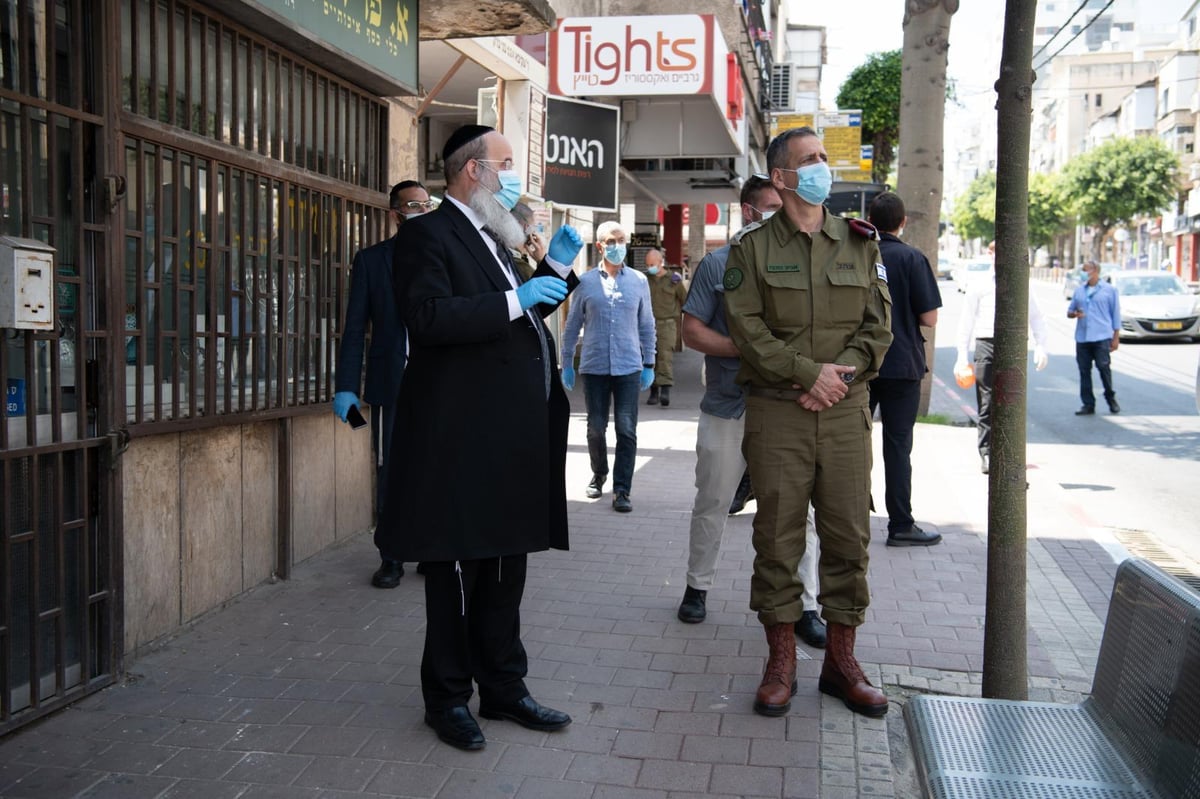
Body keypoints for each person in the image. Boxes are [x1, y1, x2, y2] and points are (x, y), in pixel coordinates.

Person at [378, 124, 584, 751]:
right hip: (457, 435)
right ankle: (447, 698)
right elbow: (431, 317)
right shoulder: (426, 234)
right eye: (507, 165)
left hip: (510, 434)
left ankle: (503, 687)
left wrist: (552, 271)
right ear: (473, 171)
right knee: (452, 573)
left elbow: (512, 316)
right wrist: (519, 297)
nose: (514, 176)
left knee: (505, 565)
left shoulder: (498, 236)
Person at [723, 127, 894, 719]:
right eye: (810, 160)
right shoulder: (750, 248)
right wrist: (805, 373)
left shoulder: (860, 242)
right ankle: (781, 661)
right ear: (781, 177)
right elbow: (746, 330)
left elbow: (879, 328)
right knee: (777, 539)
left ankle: (842, 664)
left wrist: (835, 377)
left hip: (843, 412)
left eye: (824, 157)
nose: (823, 167)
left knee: (850, 536)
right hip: (777, 413)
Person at [676, 175, 826, 649]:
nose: (779, 217)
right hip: (728, 405)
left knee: (798, 514)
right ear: (747, 211)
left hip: (787, 409)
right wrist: (748, 351)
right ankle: (697, 587)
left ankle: (806, 606)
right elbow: (692, 333)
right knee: (713, 502)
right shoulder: (719, 264)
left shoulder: (802, 263)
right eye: (769, 208)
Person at [333, 180, 434, 589]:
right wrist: (346, 386)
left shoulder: (443, 258)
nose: (422, 212)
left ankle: (431, 548)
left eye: (428, 205)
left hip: (439, 382)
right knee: (390, 469)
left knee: (435, 468)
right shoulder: (372, 261)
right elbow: (355, 327)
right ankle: (390, 555)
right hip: (391, 382)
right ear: (395, 214)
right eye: (414, 206)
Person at [560, 221, 656, 513]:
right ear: (600, 246)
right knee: (596, 429)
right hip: (595, 367)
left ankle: (622, 489)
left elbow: (647, 324)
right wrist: (566, 362)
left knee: (627, 430)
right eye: (611, 241)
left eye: (621, 239)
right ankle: (599, 472)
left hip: (629, 366)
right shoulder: (586, 282)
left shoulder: (639, 281)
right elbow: (572, 323)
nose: (617, 245)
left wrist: (650, 362)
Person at [866, 192, 943, 547]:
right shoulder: (913, 258)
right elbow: (928, 317)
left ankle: (848, 516)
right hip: (901, 365)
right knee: (897, 447)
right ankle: (900, 524)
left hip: (860, 363)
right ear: (903, 221)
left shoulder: (858, 255)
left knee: (851, 443)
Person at [955, 240, 1049, 474]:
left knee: (1011, 399)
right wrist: (961, 355)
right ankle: (986, 452)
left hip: (1013, 345)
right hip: (985, 342)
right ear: (990, 254)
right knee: (987, 402)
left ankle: (1008, 451)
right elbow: (966, 321)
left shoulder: (1021, 283)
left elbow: (1036, 316)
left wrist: (1041, 345)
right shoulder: (978, 284)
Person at [1067, 259, 1121, 415]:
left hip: (1101, 336)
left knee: (1103, 368)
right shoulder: (1079, 291)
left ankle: (1110, 397)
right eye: (1083, 270)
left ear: (1096, 271)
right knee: (1084, 371)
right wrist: (1074, 314)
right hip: (1083, 337)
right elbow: (1070, 311)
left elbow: (1115, 314)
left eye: (1087, 269)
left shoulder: (1109, 290)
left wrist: (1115, 337)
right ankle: (1088, 403)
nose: (1084, 273)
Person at [645, 248, 688, 407]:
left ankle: (665, 390)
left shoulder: (674, 280)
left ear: (660, 262)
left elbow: (685, 301)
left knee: (665, 356)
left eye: (652, 264)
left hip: (667, 323)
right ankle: (653, 391)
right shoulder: (645, 280)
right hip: (648, 324)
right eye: (648, 264)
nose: (650, 267)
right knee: (649, 358)